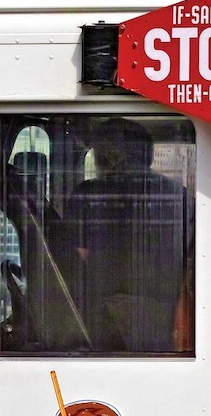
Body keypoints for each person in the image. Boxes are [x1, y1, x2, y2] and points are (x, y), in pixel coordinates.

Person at [70, 119, 194, 355]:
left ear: (104, 155)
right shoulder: (181, 196)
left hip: (104, 317)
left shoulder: (87, 193)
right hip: (165, 316)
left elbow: (79, 260)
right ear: (147, 153)